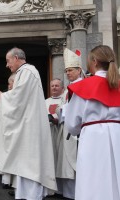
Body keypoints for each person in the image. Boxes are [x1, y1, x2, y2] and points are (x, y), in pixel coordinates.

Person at [0, 47, 57, 200]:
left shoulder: (27, 71)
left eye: (8, 61)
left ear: (17, 58)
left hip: (29, 127)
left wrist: (1, 96)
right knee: (25, 163)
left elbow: (18, 97)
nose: (7, 65)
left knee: (29, 164)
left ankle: (31, 196)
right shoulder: (25, 72)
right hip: (27, 124)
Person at [65, 45, 120, 200]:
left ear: (94, 61)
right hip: (118, 136)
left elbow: (71, 123)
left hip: (93, 138)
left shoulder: (84, 86)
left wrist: (77, 130)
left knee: (93, 180)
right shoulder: (118, 85)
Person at [54, 48, 84, 199]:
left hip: (76, 131)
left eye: (70, 70)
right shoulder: (68, 90)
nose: (68, 73)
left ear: (79, 70)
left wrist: (63, 110)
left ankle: (75, 194)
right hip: (66, 129)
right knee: (66, 164)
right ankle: (67, 193)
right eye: (66, 71)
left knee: (75, 164)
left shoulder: (82, 86)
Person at [45, 78, 65, 197]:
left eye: (57, 86)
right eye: (52, 86)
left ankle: (61, 189)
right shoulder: (45, 101)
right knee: (50, 159)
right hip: (49, 134)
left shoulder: (65, 101)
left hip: (61, 133)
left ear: (62, 88)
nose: (54, 88)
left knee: (60, 160)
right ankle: (50, 188)